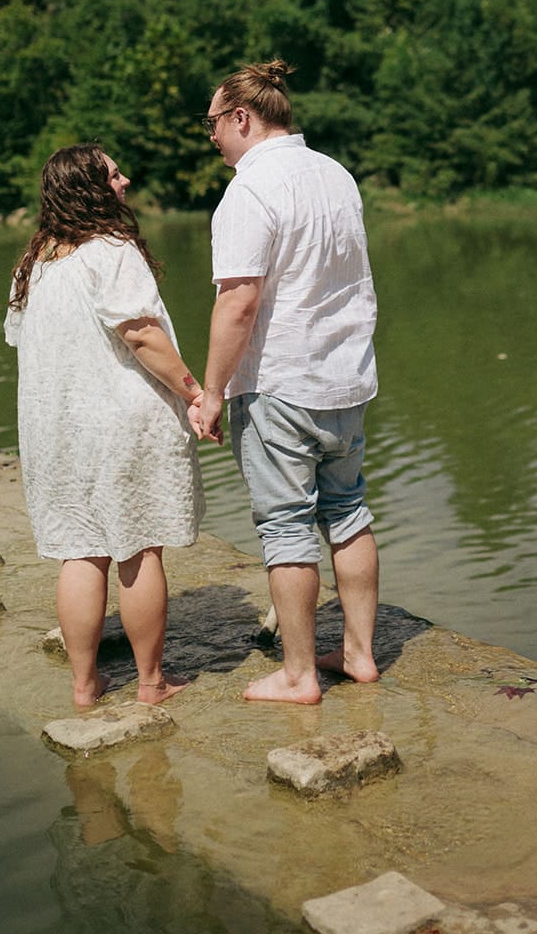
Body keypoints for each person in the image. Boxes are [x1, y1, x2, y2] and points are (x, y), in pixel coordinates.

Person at [190, 60, 380, 705]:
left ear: (242, 118)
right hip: (345, 379)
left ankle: (299, 674)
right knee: (348, 512)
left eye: (213, 123)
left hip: (281, 384)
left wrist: (212, 392)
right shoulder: (336, 173)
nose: (210, 136)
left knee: (286, 525)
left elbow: (238, 301)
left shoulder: (249, 190)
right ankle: (357, 652)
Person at [5, 143, 204, 709]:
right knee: (139, 547)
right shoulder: (112, 249)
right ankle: (150, 684)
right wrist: (193, 391)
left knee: (80, 551)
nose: (125, 181)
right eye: (113, 174)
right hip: (121, 423)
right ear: (88, 188)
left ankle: (85, 685)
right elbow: (140, 334)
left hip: (55, 430)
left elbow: (23, 339)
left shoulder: (38, 260)